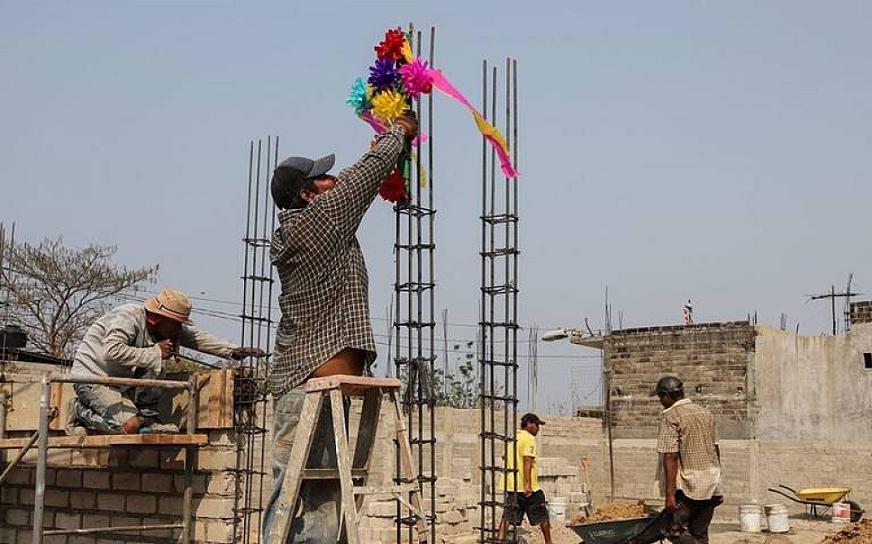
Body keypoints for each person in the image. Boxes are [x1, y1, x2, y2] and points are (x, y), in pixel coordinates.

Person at [263, 113, 419, 543]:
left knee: (322, 499)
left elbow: (356, 179)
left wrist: (380, 152)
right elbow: (363, 178)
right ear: (306, 194)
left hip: (320, 388)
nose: (332, 179)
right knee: (296, 496)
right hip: (307, 384)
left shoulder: (319, 225)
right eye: (323, 177)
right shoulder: (319, 221)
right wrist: (398, 132)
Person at [68, 288, 261, 435]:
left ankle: (148, 417)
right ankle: (79, 411)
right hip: (92, 378)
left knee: (158, 358)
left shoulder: (165, 328)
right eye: (175, 322)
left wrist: (233, 351)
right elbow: (111, 351)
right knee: (130, 426)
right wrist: (156, 351)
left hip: (119, 381)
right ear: (157, 318)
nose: (178, 328)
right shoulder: (127, 318)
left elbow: (196, 338)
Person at [655, 376, 723, 544]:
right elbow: (715, 449)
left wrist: (670, 495)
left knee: (673, 530)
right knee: (699, 534)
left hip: (690, 486)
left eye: (660, 397)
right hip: (711, 481)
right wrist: (719, 484)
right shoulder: (705, 413)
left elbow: (670, 455)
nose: (661, 401)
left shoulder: (671, 416)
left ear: (666, 396)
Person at [497, 412, 552, 544]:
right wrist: (528, 484)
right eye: (537, 425)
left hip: (512, 486)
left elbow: (504, 457)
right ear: (529, 424)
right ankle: (549, 542)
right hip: (527, 487)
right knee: (543, 516)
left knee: (507, 517)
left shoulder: (512, 438)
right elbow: (527, 460)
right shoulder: (528, 438)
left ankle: (499, 541)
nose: (538, 428)